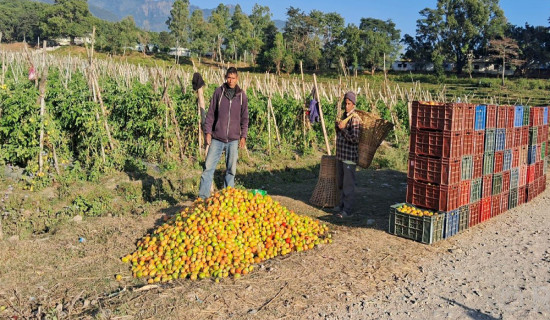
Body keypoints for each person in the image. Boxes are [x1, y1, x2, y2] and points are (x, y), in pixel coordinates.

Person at [198, 67, 249, 199]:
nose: (231, 80)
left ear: (237, 79)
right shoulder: (218, 93)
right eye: (229, 77)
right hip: (217, 138)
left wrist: (243, 136)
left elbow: (245, 118)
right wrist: (208, 132)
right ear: (225, 77)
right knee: (208, 167)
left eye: (233, 78)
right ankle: (202, 197)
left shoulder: (242, 96)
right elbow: (210, 114)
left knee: (231, 170)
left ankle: (228, 197)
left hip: (233, 140)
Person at [333, 91, 361, 218]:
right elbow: (340, 134)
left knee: (348, 184)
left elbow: (355, 139)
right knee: (341, 182)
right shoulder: (344, 117)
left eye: (349, 104)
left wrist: (343, 129)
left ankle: (347, 210)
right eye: (345, 103)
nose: (346, 106)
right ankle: (341, 205)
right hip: (341, 155)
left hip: (349, 157)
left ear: (353, 104)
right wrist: (338, 128)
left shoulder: (354, 119)